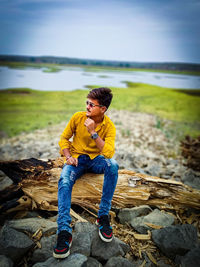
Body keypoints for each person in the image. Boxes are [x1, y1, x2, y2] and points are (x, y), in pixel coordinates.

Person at [53, 87, 119, 259]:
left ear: (102, 109)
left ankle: (103, 216)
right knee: (65, 180)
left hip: (96, 161)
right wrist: (67, 156)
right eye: (87, 103)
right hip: (76, 160)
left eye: (92, 105)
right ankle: (64, 232)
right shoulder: (77, 117)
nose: (87, 107)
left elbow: (109, 153)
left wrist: (93, 133)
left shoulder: (109, 126)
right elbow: (63, 139)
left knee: (113, 165)